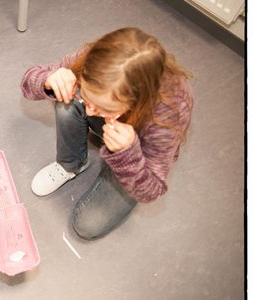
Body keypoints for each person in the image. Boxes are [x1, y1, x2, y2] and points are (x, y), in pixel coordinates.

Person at [20, 27, 194, 240]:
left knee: (86, 225)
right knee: (68, 98)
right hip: (120, 130)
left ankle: (115, 153)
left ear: (136, 102)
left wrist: (127, 155)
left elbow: (152, 189)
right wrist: (49, 79)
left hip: (134, 149)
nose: (89, 109)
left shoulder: (169, 110)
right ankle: (71, 164)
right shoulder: (97, 60)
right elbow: (28, 81)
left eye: (104, 107)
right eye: (87, 95)